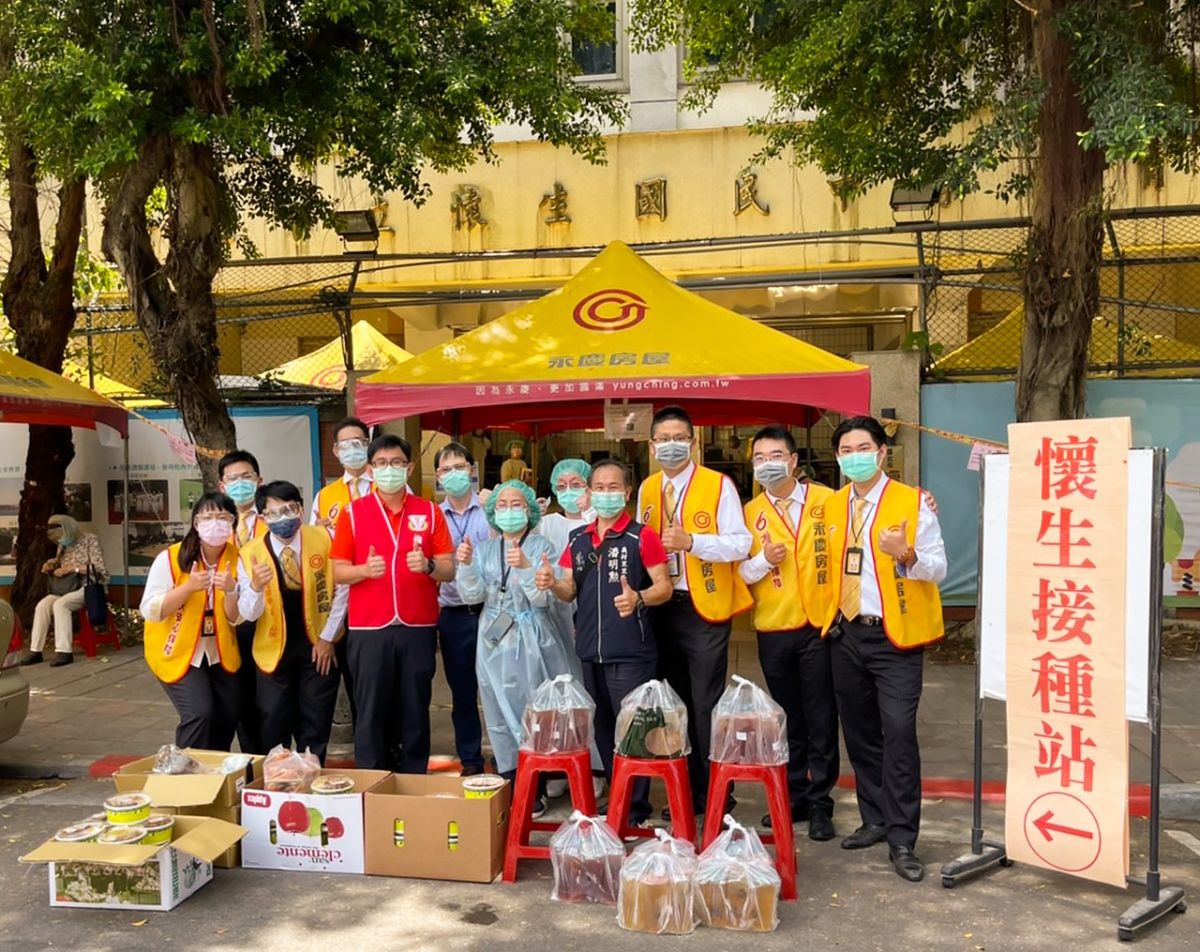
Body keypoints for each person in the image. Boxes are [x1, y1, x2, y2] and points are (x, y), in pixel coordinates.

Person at [823, 416, 947, 883]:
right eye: (845, 450)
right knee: (859, 733)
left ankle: (902, 837)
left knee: (897, 733)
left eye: (863, 448)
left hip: (896, 636)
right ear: (838, 458)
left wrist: (907, 555)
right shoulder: (833, 507)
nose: (854, 456)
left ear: (881, 453)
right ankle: (874, 818)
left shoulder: (912, 502)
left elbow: (938, 567)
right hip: (846, 633)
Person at [540, 459, 674, 825]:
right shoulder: (578, 539)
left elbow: (664, 585)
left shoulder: (641, 536)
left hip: (631, 650)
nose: (605, 494)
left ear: (627, 493)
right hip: (590, 651)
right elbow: (570, 590)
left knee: (633, 729)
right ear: (588, 493)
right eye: (598, 487)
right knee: (603, 729)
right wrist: (553, 582)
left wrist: (640, 598)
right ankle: (618, 796)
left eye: (613, 487)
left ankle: (634, 809)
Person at [636, 406, 752, 815]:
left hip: (703, 607)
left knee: (705, 704)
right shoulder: (647, 489)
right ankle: (683, 793)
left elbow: (741, 544)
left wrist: (693, 542)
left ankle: (717, 796)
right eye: (663, 439)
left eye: (678, 438)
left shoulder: (719, 486)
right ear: (652, 445)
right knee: (672, 704)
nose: (671, 445)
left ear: (693, 441)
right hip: (662, 605)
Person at [331, 434, 455, 772]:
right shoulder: (353, 514)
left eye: (397, 463)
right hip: (369, 628)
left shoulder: (428, 511)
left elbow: (448, 567)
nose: (390, 470)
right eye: (382, 464)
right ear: (371, 469)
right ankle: (373, 777)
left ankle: (413, 776)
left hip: (417, 626)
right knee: (370, 709)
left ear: (409, 467)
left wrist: (428, 566)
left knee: (415, 707)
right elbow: (337, 571)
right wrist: (363, 570)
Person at [454, 480, 578, 816]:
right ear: (493, 512)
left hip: (535, 638)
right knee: (497, 710)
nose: (509, 511)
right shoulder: (483, 549)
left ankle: (537, 783)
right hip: (493, 639)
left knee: (535, 711)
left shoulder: (543, 547)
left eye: (517, 504)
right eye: (503, 505)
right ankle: (510, 776)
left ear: (530, 509)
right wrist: (464, 564)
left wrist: (525, 568)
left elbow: (541, 597)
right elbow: (473, 596)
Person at [739, 425, 838, 841]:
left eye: (776, 456)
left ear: (794, 460)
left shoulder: (828, 502)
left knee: (821, 718)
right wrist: (763, 559)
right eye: (760, 458)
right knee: (787, 719)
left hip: (820, 625)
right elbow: (739, 574)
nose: (767, 464)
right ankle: (794, 796)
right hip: (773, 627)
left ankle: (821, 804)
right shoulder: (748, 513)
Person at [238, 481, 348, 763]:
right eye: (273, 513)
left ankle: (313, 779)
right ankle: (279, 782)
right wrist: (256, 587)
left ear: (301, 509)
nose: (283, 518)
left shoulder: (324, 538)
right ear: (262, 518)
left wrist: (327, 637)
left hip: (318, 645)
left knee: (316, 719)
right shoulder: (249, 553)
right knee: (274, 718)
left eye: (289, 509)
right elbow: (247, 614)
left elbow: (342, 589)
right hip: (273, 649)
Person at [140, 492, 242, 750]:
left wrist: (232, 589)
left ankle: (215, 770)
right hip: (177, 649)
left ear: (233, 522)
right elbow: (150, 609)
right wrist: (188, 588)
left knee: (228, 713)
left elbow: (236, 618)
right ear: (196, 523)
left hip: (219, 650)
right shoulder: (171, 558)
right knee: (199, 712)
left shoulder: (237, 558)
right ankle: (184, 776)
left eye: (222, 517)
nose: (215, 524)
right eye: (208, 517)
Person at [309, 416, 374, 725]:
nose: (353, 450)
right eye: (346, 445)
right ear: (335, 451)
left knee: (382, 688)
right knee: (355, 684)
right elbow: (315, 554)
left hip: (379, 601)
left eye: (359, 443)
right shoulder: (325, 497)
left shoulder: (386, 485)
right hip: (343, 604)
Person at [434, 442, 491, 777]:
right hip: (452, 612)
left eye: (460, 467)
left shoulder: (491, 510)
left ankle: (508, 758)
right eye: (446, 469)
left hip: (492, 611)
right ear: (439, 476)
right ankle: (470, 759)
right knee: (463, 693)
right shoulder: (431, 516)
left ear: (472, 469)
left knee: (501, 690)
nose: (454, 474)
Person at [218, 449, 267, 755]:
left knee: (271, 698)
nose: (240, 484)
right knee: (240, 698)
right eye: (232, 479)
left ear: (259, 480)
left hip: (271, 620)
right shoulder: (215, 525)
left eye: (246, 477)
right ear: (222, 486)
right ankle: (251, 759)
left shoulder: (273, 518)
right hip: (231, 622)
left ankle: (277, 757)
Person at [23, 514, 107, 667]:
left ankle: (64, 651)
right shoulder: (63, 544)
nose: (60, 539)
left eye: (61, 536)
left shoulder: (90, 540)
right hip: (65, 587)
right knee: (42, 605)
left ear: (68, 530)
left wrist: (71, 568)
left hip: (87, 587)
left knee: (61, 605)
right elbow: (59, 562)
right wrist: (50, 565)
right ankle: (35, 651)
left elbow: (98, 569)